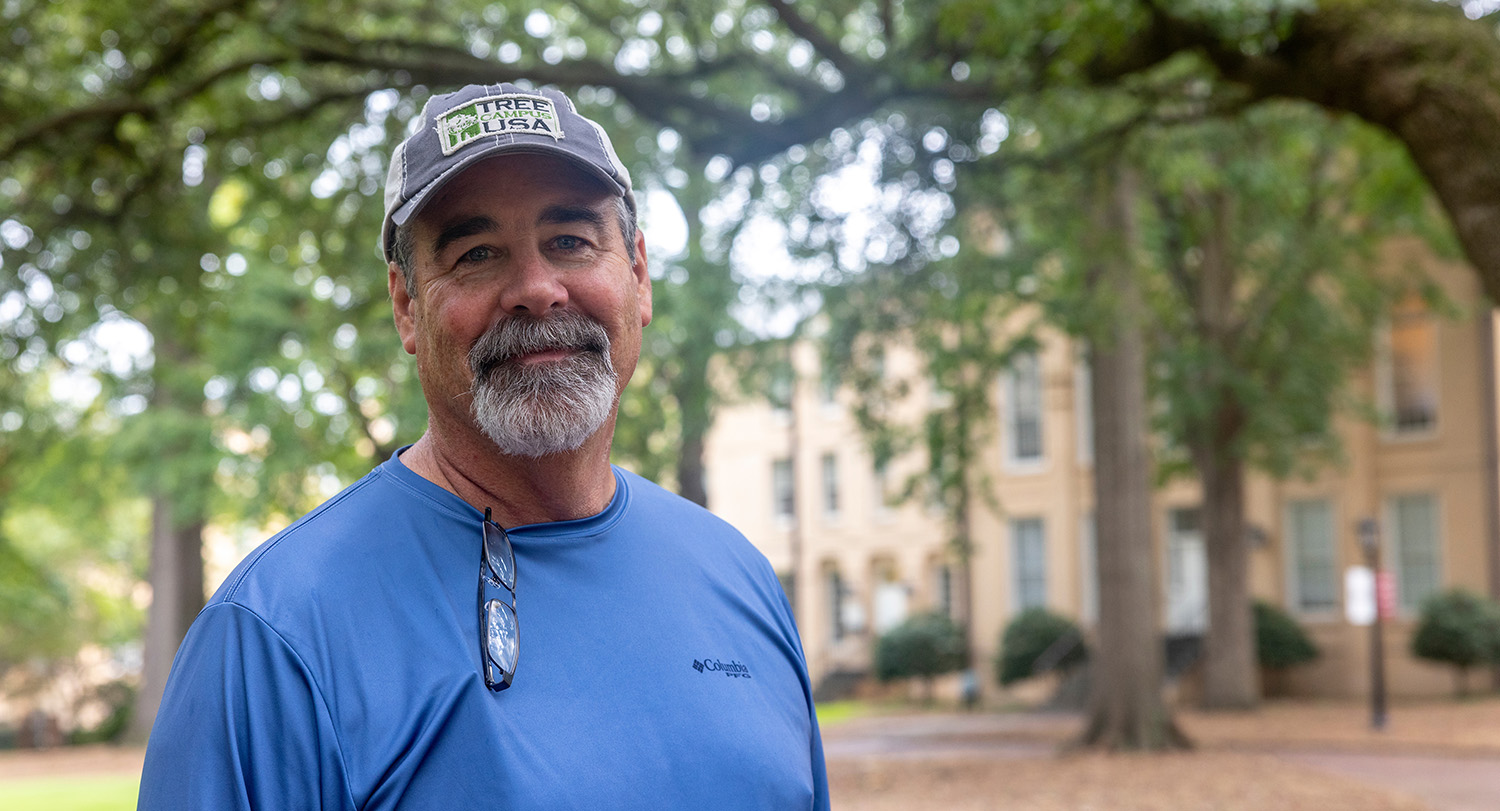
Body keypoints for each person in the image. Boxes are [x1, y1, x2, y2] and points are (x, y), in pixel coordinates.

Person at [138, 82, 829, 810]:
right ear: (407, 307)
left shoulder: (738, 577)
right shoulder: (274, 637)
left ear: (638, 274)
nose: (535, 288)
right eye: (476, 253)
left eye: (569, 240)